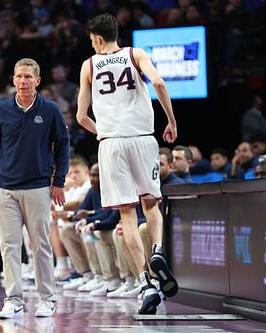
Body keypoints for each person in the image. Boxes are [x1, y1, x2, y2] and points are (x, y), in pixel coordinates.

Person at [76, 13, 178, 314]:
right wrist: (171, 121)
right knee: (151, 205)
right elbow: (158, 82)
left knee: (126, 216)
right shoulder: (136, 54)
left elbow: (81, 116)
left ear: (96, 38)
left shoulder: (89, 65)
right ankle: (158, 251)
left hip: (111, 145)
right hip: (143, 138)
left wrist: (105, 133)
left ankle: (146, 282)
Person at [0, 58, 70, 319]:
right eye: (19, 77)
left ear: (37, 81)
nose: (23, 81)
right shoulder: (1, 109)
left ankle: (47, 299)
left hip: (38, 188)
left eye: (28, 77)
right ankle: (13, 300)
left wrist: (59, 181)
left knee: (40, 245)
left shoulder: (50, 110)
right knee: (9, 246)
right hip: (6, 188)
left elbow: (63, 146)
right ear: (13, 80)